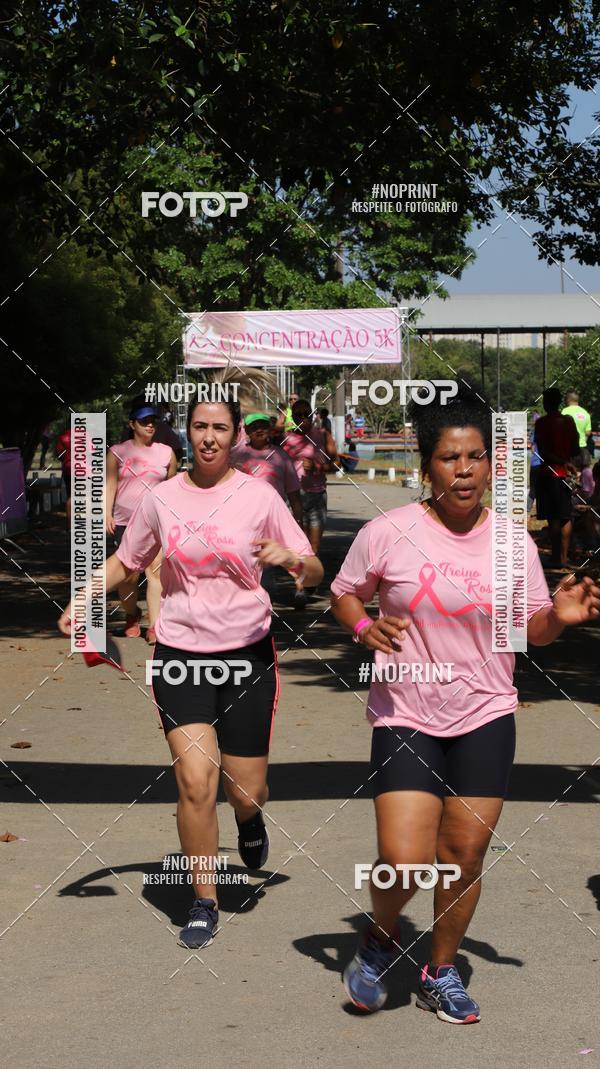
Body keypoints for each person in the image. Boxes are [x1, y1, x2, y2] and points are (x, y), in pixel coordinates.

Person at [330, 383, 600, 1022]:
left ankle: (439, 970)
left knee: (463, 855)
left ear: (490, 462)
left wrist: (558, 617)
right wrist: (366, 628)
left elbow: (528, 629)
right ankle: (382, 932)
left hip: (485, 712)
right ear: (427, 467)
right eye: (450, 459)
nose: (465, 471)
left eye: (476, 457)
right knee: (402, 859)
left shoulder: (513, 544)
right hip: (406, 712)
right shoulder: (387, 532)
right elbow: (344, 594)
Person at [59, 398, 323, 949]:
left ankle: (249, 822)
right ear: (190, 433)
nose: (208, 437)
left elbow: (313, 566)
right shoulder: (162, 499)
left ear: (234, 437)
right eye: (200, 427)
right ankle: (204, 900)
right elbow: (128, 561)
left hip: (247, 655)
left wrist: (291, 560)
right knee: (195, 781)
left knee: (244, 791)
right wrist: (84, 598)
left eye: (219, 428)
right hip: (181, 656)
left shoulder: (259, 496)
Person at [106, 402, 177, 642]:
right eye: (144, 421)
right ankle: (131, 616)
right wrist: (107, 513)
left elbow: (172, 489)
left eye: (153, 422)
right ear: (132, 424)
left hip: (155, 522)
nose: (149, 425)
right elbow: (110, 484)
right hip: (125, 521)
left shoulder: (166, 452)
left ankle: (155, 626)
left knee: (155, 572)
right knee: (128, 576)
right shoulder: (117, 451)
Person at [232, 412, 306, 608]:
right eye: (254, 426)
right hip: (241, 518)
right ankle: (253, 600)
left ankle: (276, 597)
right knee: (247, 559)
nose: (259, 430)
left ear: (270, 429)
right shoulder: (236, 456)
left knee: (271, 561)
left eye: (263, 426)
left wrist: (298, 519)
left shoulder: (281, 456)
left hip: (272, 519)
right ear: (246, 430)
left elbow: (293, 492)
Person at [282, 398, 339, 558]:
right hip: (292, 497)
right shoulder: (285, 438)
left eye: (306, 414)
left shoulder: (322, 435)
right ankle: (299, 581)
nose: (303, 418)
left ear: (313, 416)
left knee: (313, 548)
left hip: (317, 496)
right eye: (298, 415)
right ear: (292, 417)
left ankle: (310, 582)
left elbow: (337, 464)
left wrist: (318, 467)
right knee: (297, 546)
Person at [534, 388, 579, 567]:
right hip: (566, 474)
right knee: (566, 516)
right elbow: (576, 447)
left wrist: (559, 460)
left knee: (553, 517)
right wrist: (567, 461)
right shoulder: (569, 421)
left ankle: (554, 558)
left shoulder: (542, 423)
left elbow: (543, 452)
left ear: (546, 403)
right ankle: (564, 557)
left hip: (549, 473)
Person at [561, 390, 592, 456]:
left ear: (568, 399)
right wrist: (583, 442)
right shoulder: (585, 413)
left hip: (569, 448)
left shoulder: (564, 412)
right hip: (582, 448)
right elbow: (588, 433)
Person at [55, 422, 72, 521]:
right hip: (83, 470)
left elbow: (59, 454)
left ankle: (70, 526)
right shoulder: (86, 436)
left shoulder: (64, 436)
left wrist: (66, 460)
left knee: (71, 496)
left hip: (68, 469)